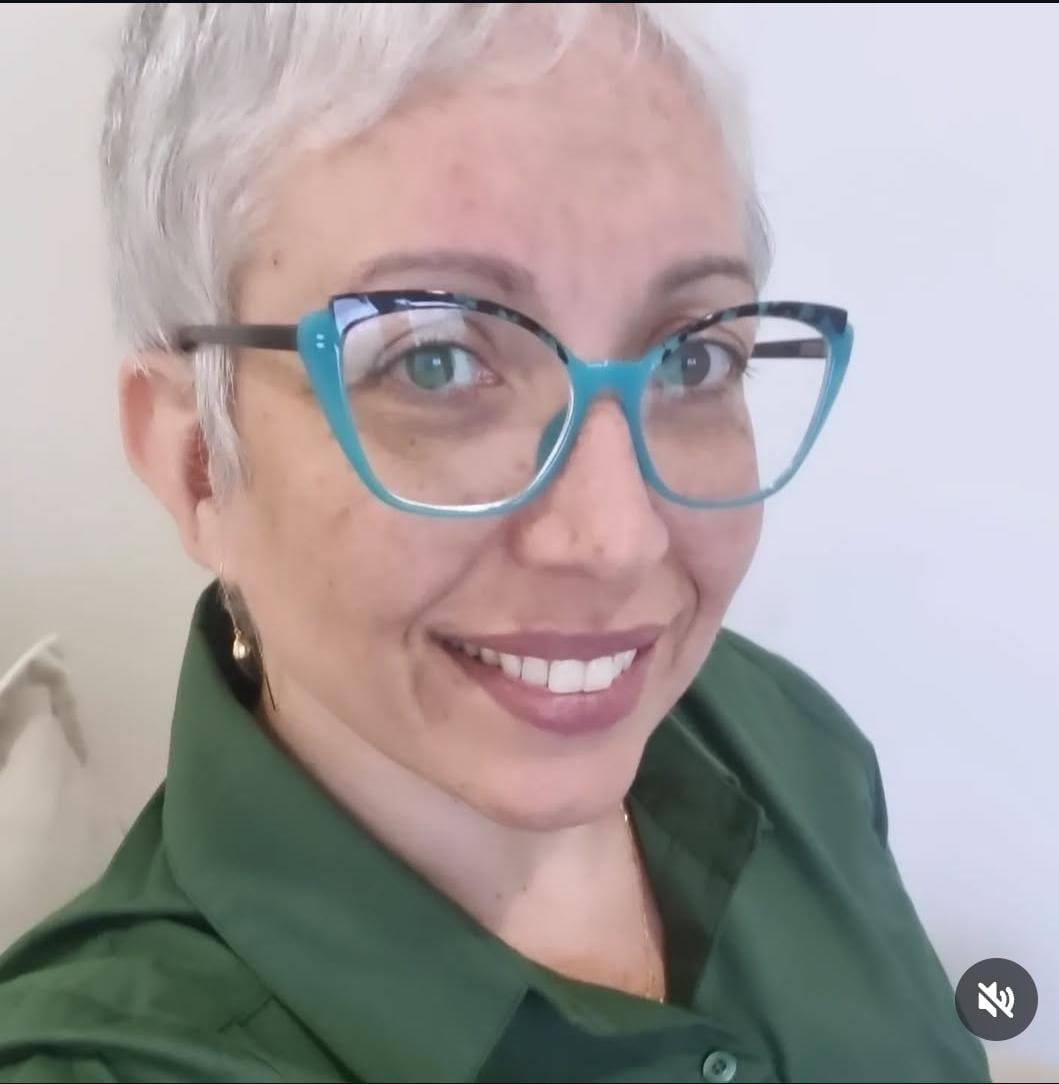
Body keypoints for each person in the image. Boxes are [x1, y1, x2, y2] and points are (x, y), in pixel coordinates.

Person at [0, 4, 990, 1081]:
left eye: (691, 359)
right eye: (434, 362)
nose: (617, 540)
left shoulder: (784, 739)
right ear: (200, 463)